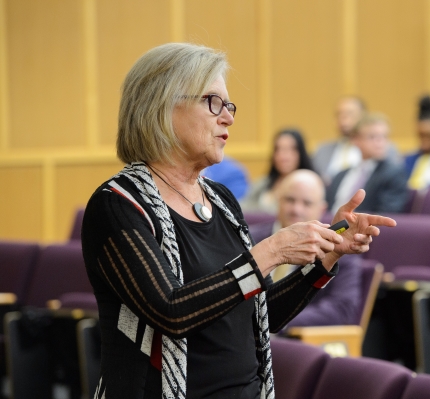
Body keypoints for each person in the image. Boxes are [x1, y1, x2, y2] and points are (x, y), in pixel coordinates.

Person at [80, 43, 395, 399]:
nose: (228, 117)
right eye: (213, 101)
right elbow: (171, 313)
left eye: (229, 105)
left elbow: (260, 317)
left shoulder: (222, 201)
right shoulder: (118, 205)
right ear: (162, 104)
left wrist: (327, 255)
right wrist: (270, 252)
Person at [250, 169, 362, 327]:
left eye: (307, 203)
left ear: (322, 209)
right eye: (290, 200)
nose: (296, 210)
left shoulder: (339, 250)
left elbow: (342, 309)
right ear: (278, 200)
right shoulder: (249, 239)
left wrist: (276, 322)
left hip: (295, 341)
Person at [326, 113, 409, 213]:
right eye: (372, 137)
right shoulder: (340, 175)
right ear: (355, 140)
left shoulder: (393, 173)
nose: (380, 142)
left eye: (384, 136)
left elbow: (386, 215)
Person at [312, 96, 402, 185]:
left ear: (364, 116)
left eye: (349, 114)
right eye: (339, 114)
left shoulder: (382, 148)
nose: (343, 120)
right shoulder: (322, 150)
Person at [241, 128, 313, 214]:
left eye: (290, 149)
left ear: (300, 153)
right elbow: (243, 208)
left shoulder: (311, 186)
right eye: (278, 149)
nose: (283, 155)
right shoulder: (263, 183)